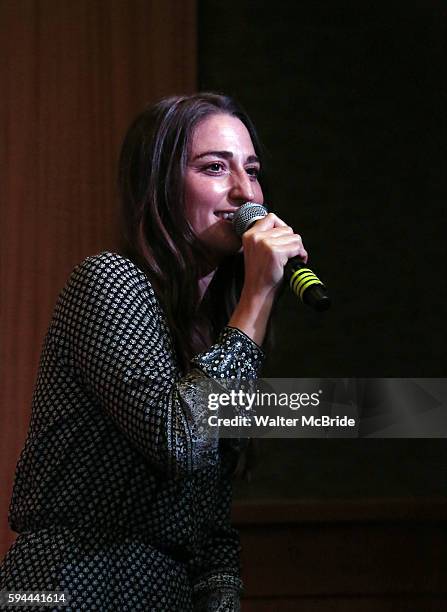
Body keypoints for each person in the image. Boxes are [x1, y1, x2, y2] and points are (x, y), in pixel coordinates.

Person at [0, 93, 307, 611]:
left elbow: (210, 516)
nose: (244, 192)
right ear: (160, 186)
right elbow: (179, 439)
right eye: (214, 168)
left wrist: (222, 596)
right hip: (66, 583)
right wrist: (257, 297)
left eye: (251, 171)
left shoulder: (216, 327)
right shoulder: (111, 282)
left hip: (163, 591)